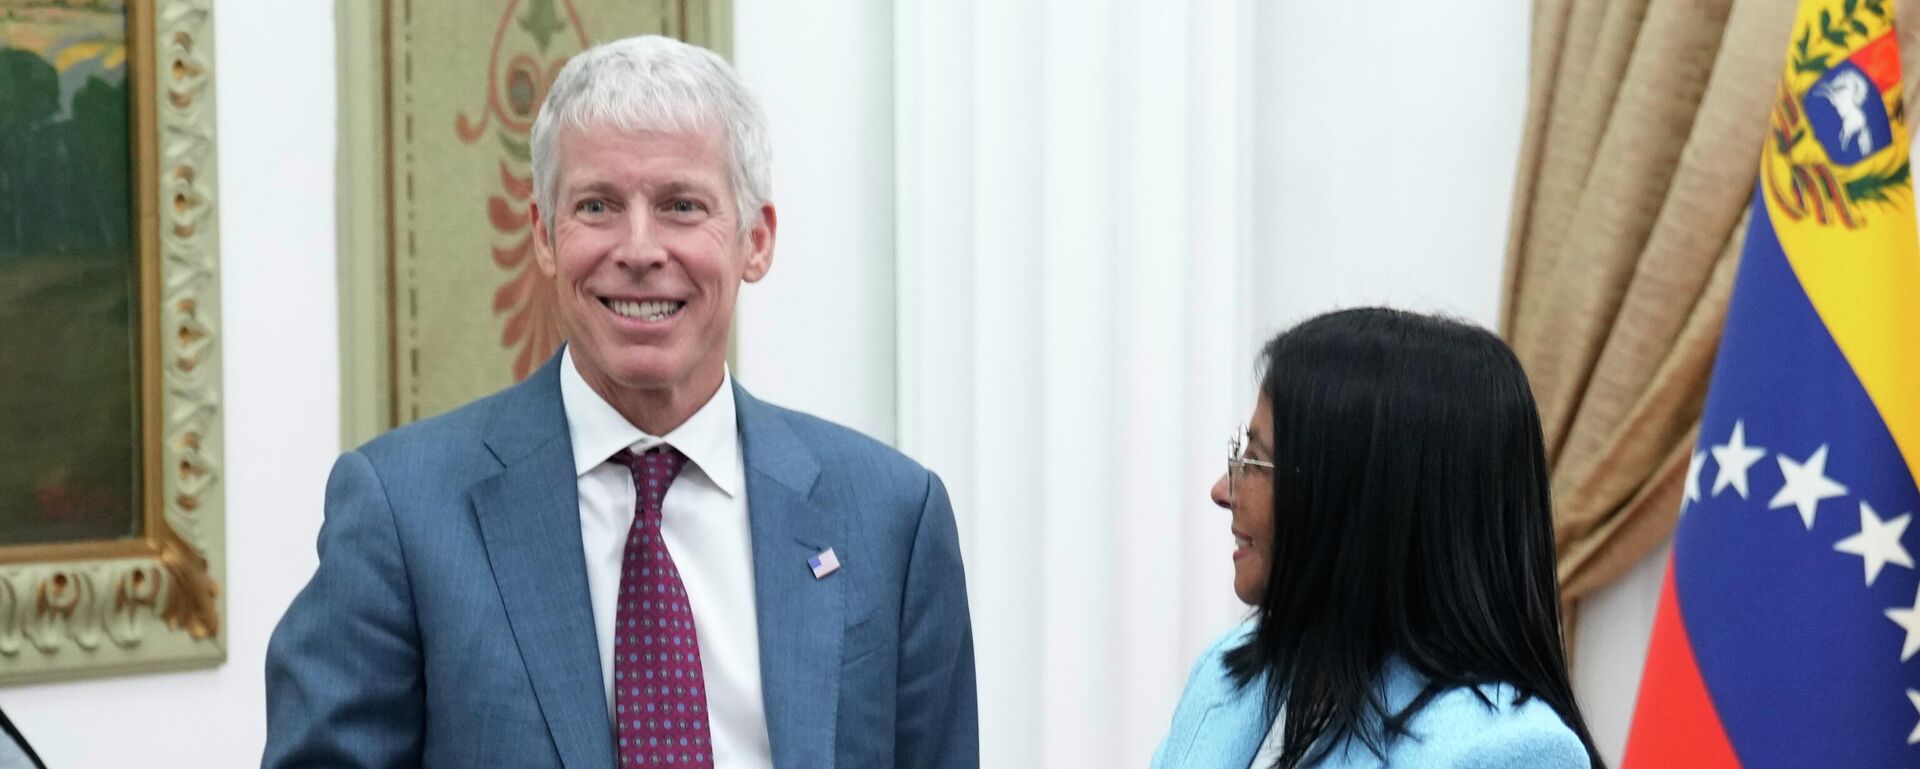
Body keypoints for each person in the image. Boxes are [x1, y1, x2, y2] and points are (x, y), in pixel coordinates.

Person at [264, 35, 977, 769]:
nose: (639, 249)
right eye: (598, 205)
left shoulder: (891, 515)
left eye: (681, 206)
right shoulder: (402, 513)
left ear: (756, 240)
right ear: (544, 235)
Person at [1153, 308, 1603, 769]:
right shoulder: (1229, 673)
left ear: (1360, 501)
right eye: (1240, 454)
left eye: (1256, 462)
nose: (1223, 491)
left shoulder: (1503, 751)